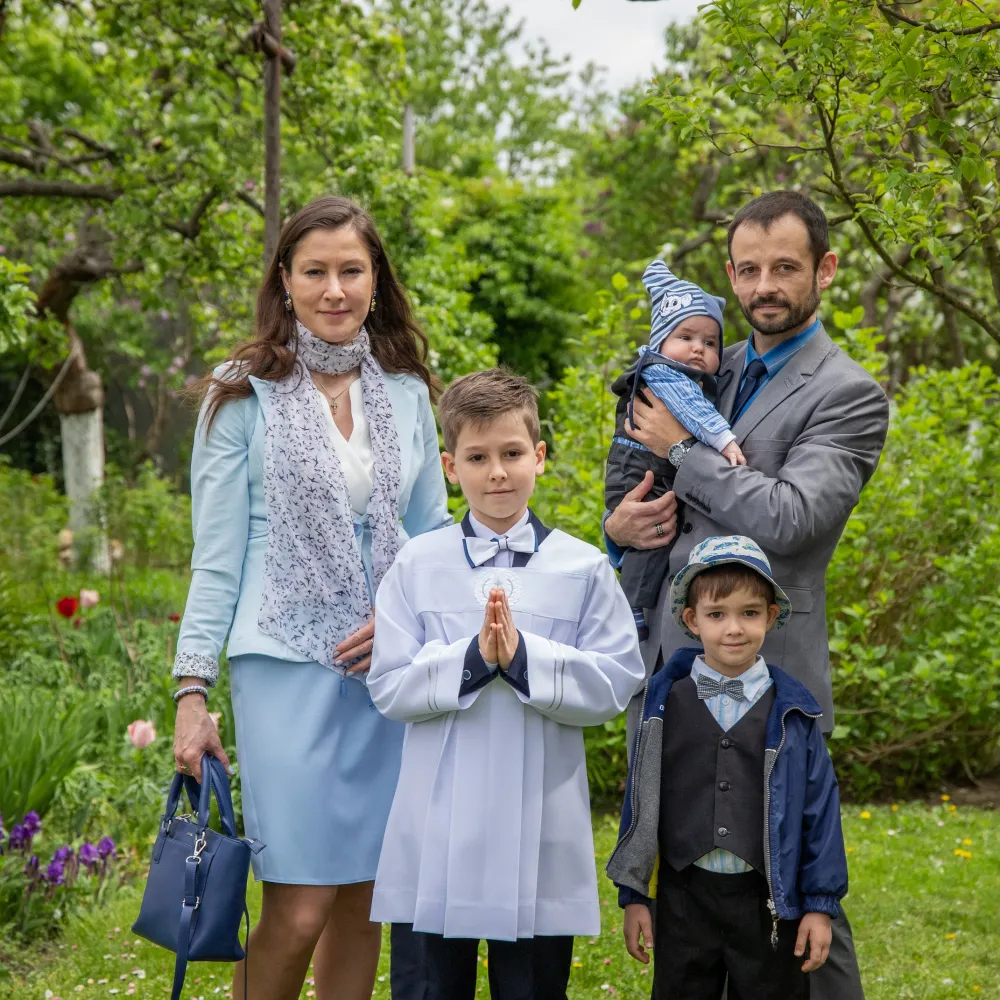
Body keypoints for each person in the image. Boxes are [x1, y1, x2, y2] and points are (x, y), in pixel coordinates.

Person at [604, 190, 889, 999]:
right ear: (730, 275)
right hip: (676, 669)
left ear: (825, 269)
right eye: (750, 269)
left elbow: (792, 519)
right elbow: (638, 473)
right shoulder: (700, 363)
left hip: (772, 678)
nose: (766, 285)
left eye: (786, 267)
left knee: (795, 895)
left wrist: (684, 452)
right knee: (695, 890)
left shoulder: (848, 394)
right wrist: (619, 528)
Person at [170, 196, 451, 1000]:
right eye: (315, 271)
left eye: (351, 270)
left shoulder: (406, 393)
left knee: (364, 901)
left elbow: (431, 535)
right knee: (297, 908)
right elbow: (215, 559)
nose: (334, 289)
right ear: (285, 282)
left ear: (376, 281)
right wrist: (192, 693)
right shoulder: (239, 394)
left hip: (384, 669)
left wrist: (405, 621)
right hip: (282, 665)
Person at [366, 368, 646, 1000]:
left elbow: (618, 678)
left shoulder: (581, 566)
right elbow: (389, 684)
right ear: (449, 466)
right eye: (477, 457)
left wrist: (523, 661)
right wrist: (473, 658)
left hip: (538, 818)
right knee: (432, 987)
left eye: (513, 453)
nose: (497, 472)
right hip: (437, 824)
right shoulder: (417, 563)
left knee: (532, 987)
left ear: (539, 457)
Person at [606, 535, 848, 999]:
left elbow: (820, 813)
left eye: (749, 613)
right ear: (691, 620)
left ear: (771, 617)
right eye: (716, 615)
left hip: (767, 900)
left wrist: (819, 905)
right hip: (683, 897)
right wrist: (635, 896)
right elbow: (642, 801)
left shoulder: (795, 713)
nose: (733, 629)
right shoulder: (662, 704)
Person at [606, 259, 745, 641]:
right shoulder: (665, 374)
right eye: (686, 337)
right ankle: (631, 607)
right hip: (639, 471)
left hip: (644, 469)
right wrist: (724, 440)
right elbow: (694, 412)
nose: (699, 348)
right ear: (660, 341)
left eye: (710, 343)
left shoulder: (684, 373)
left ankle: (632, 606)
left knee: (654, 536)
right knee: (653, 537)